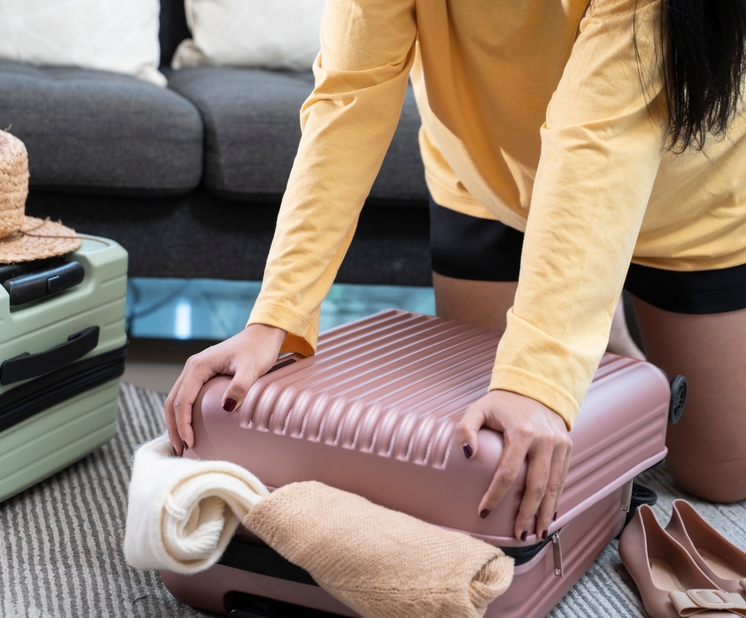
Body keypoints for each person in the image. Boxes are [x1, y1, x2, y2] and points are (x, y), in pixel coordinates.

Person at [165, 0, 746, 544]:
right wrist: (275, 318)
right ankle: (599, 325)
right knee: (482, 460)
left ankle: (592, 314)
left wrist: (536, 382)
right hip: (488, 180)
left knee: (722, 478)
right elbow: (350, 95)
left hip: (684, 203)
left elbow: (599, 140)